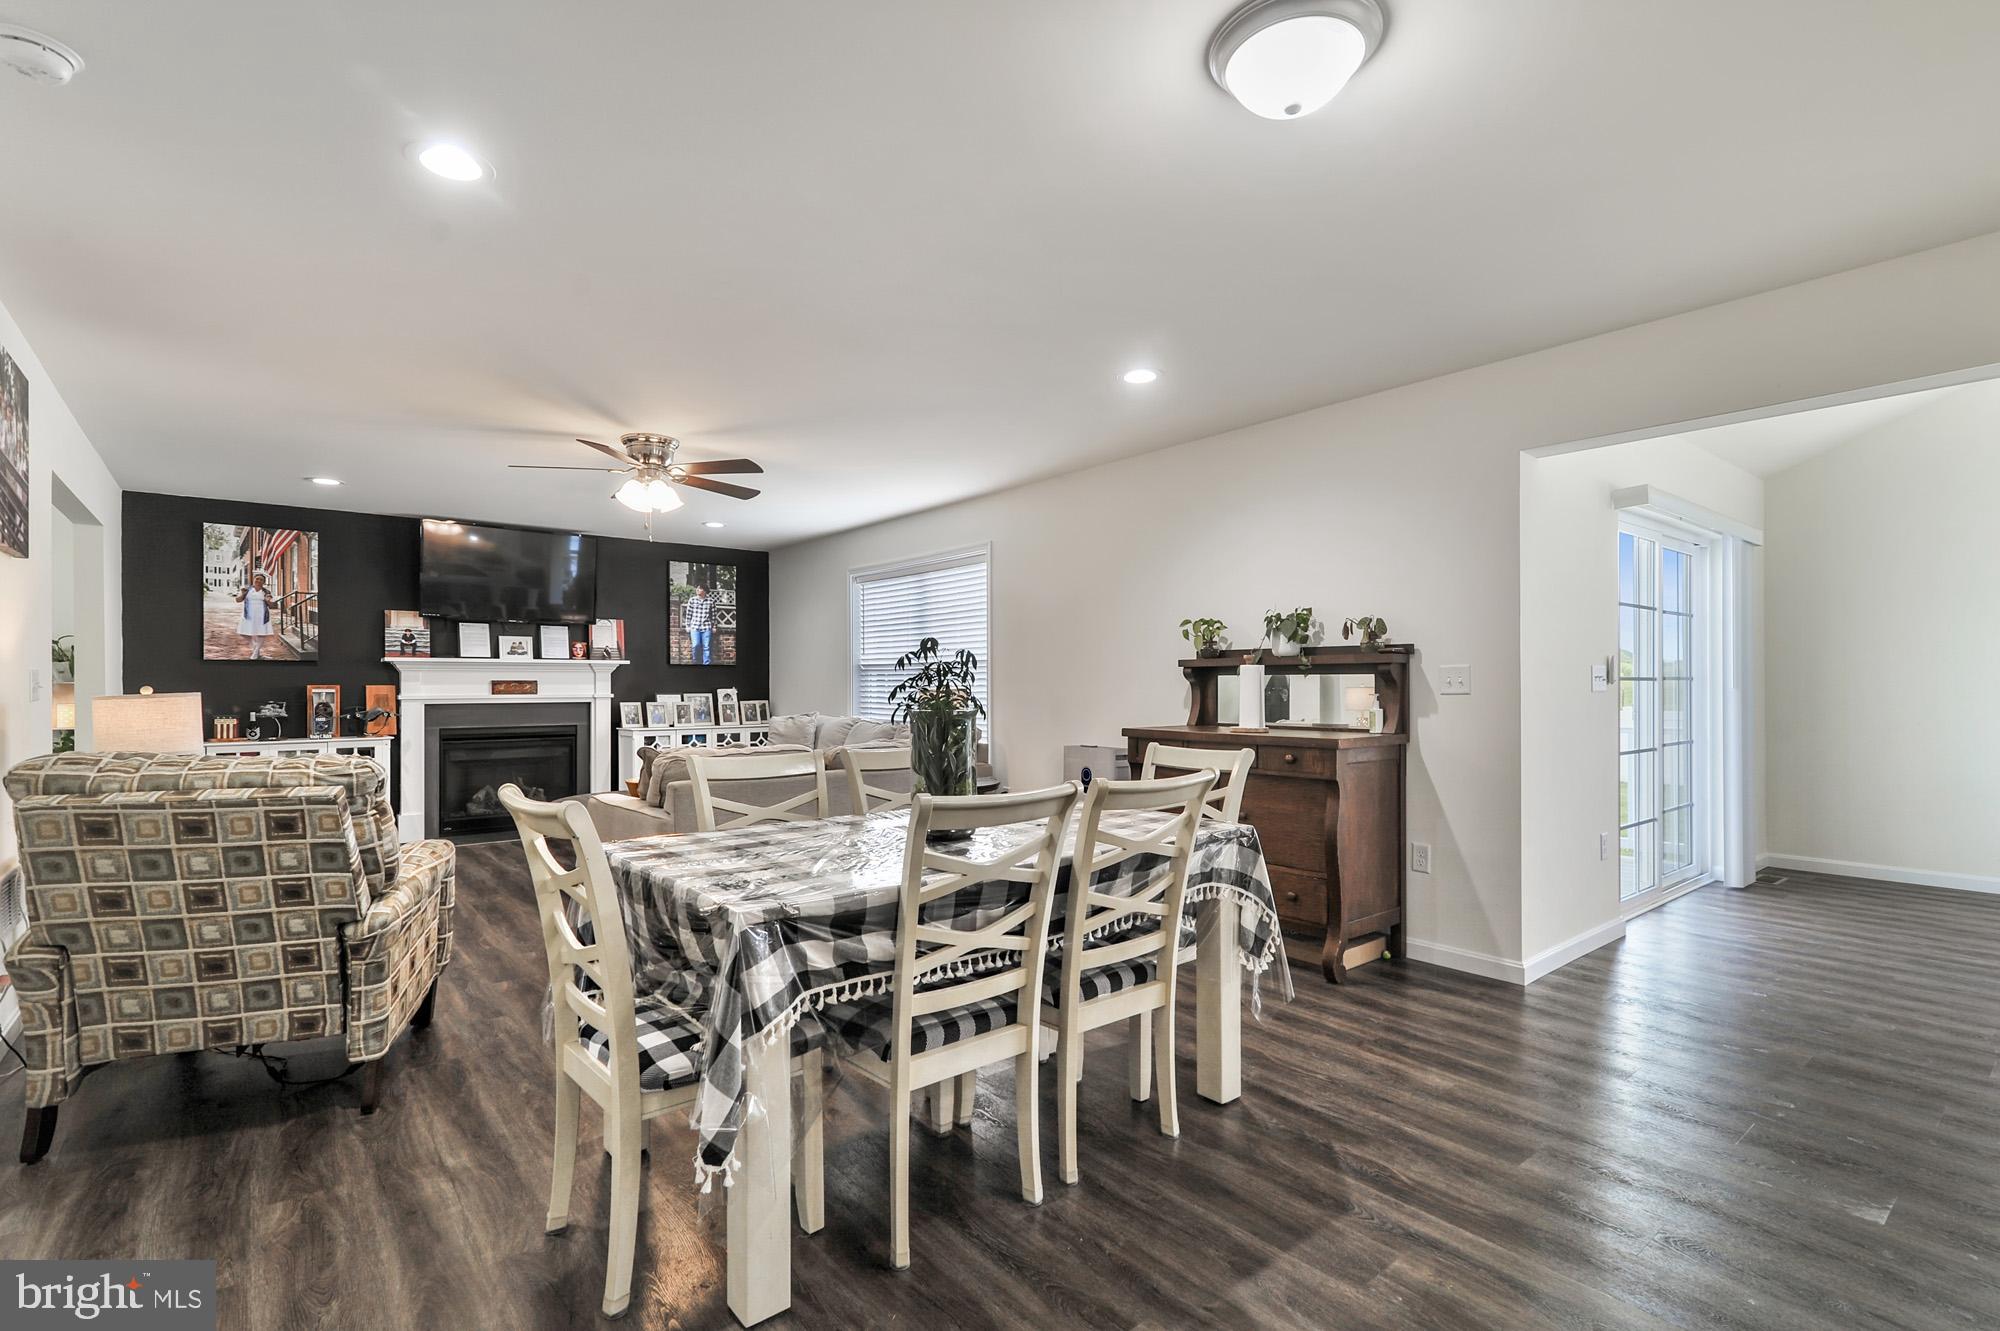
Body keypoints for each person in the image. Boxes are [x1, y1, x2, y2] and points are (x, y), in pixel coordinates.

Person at [235, 571, 276, 659]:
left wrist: (268, 600)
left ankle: (255, 654)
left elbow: (272, 606)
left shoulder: (266, 591)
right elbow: (238, 600)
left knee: (261, 633)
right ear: (253, 580)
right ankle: (256, 649)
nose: (258, 581)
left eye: (261, 580)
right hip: (248, 614)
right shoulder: (247, 590)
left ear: (263, 582)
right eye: (257, 579)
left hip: (261, 614)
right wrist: (242, 594)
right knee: (244, 633)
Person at [684, 581, 713, 664]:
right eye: (697, 588)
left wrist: (714, 626)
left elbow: (713, 615)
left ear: (705, 591)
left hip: (706, 627)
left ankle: (706, 664)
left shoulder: (711, 601)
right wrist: (687, 626)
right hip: (694, 627)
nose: (697, 589)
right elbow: (688, 614)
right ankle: (695, 663)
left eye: (700, 588)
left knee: (706, 647)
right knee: (695, 645)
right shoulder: (692, 600)